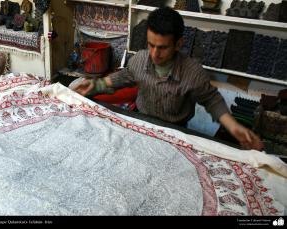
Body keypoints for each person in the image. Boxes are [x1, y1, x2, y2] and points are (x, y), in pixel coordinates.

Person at [71, 7, 264, 151]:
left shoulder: (192, 72)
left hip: (175, 132)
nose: (154, 53)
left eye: (162, 47)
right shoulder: (140, 59)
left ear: (179, 44)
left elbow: (212, 100)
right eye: (151, 45)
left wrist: (233, 127)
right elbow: (124, 77)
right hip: (141, 122)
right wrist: (94, 86)